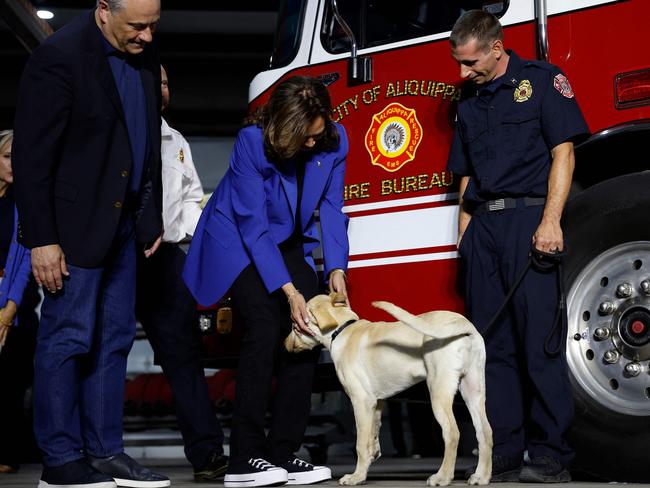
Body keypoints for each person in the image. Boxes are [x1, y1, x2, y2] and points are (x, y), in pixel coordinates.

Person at [12, 1, 170, 487]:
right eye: (137, 26)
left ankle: (106, 453)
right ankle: (60, 459)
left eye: (153, 25)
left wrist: (151, 215)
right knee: (67, 338)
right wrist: (42, 240)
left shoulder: (141, 54)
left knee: (114, 339)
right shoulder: (58, 57)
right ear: (104, 10)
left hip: (124, 226)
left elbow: (146, 144)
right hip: (71, 227)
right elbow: (32, 157)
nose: (146, 36)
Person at [183, 75, 349, 488]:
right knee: (265, 325)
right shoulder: (252, 143)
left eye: (317, 133)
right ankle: (244, 457)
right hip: (237, 240)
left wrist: (335, 268)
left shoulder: (335, 138)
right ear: (284, 127)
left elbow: (331, 208)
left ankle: (283, 453)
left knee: (308, 330)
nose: (312, 144)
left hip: (288, 239)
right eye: (304, 138)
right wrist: (289, 291)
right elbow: (254, 226)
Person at [446, 10, 589, 483]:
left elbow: (563, 151)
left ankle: (551, 455)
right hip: (483, 231)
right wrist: (463, 231)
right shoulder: (467, 102)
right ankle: (503, 451)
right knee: (491, 347)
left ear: (496, 48)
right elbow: (464, 172)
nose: (463, 73)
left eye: (470, 63)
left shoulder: (543, 81)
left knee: (539, 344)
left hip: (530, 221)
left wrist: (551, 221)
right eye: (459, 64)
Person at [135, 65, 227, 481]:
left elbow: (190, 195)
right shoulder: (115, 132)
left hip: (167, 258)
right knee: (102, 348)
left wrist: (188, 226)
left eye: (168, 82)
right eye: (156, 83)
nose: (163, 90)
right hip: (119, 256)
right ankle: (91, 452)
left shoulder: (176, 141)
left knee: (184, 357)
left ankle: (207, 454)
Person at [0, 130, 40, 474]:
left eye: (19, 157)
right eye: (7, 156)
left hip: (19, 308)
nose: (14, 164)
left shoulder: (24, 202)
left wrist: (9, 308)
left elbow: (26, 257)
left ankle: (10, 449)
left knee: (13, 384)